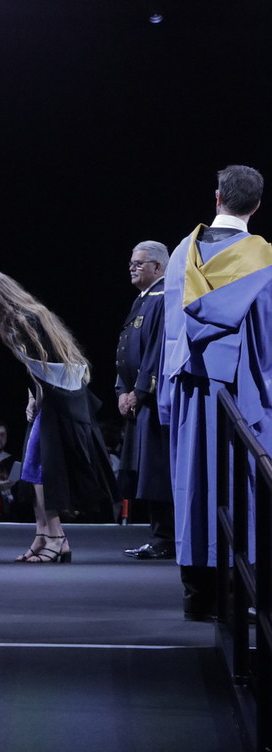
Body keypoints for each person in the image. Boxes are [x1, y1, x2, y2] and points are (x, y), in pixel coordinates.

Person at [159, 164, 272, 620]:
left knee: (194, 488)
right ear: (256, 206)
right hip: (243, 395)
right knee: (243, 485)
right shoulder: (264, 259)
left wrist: (167, 400)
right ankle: (244, 596)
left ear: (218, 198)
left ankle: (198, 596)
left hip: (191, 390)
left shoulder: (179, 255)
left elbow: (171, 333)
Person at [0, 270, 119, 563]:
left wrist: (41, 400)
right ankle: (43, 534)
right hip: (52, 398)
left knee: (41, 469)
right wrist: (32, 398)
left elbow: (52, 364)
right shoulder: (25, 318)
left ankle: (56, 536)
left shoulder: (25, 321)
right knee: (32, 467)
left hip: (61, 401)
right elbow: (35, 367)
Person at [116, 240, 175, 560]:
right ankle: (158, 535)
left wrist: (138, 392)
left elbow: (156, 352)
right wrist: (120, 391)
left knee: (157, 471)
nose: (132, 267)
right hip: (138, 399)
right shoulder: (143, 299)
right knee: (146, 471)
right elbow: (126, 349)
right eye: (131, 262)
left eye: (139, 263)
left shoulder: (163, 299)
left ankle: (165, 537)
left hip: (153, 400)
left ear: (158, 266)